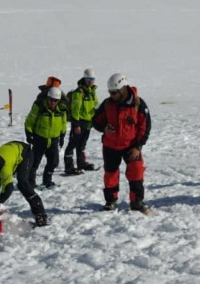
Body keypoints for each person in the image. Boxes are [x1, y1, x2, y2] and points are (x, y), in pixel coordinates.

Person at [92, 73, 152, 212]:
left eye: (114, 93)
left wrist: (138, 146)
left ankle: (136, 202)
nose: (111, 95)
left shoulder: (138, 104)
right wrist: (104, 128)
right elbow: (95, 121)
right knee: (110, 173)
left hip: (131, 146)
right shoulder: (107, 104)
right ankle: (111, 201)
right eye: (110, 92)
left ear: (123, 89)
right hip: (110, 146)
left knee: (136, 172)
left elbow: (145, 126)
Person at [0, 141, 49, 227]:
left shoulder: (4, 168)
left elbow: (7, 190)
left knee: (23, 184)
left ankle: (40, 214)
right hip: (10, 151)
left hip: (24, 152)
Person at [25, 84, 68, 189]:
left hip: (54, 139)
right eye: (51, 100)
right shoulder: (39, 107)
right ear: (47, 98)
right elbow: (29, 121)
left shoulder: (61, 110)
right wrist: (29, 133)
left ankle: (47, 181)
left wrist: (62, 135)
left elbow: (63, 123)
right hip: (40, 138)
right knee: (35, 162)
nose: (53, 103)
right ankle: (31, 182)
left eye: (55, 101)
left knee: (54, 162)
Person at [63, 68, 100, 175]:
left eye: (92, 79)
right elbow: (75, 110)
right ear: (84, 78)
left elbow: (95, 105)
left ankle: (81, 163)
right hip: (79, 123)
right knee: (73, 144)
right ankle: (69, 166)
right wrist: (76, 124)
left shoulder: (92, 92)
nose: (90, 82)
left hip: (88, 123)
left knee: (82, 144)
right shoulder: (79, 93)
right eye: (88, 79)